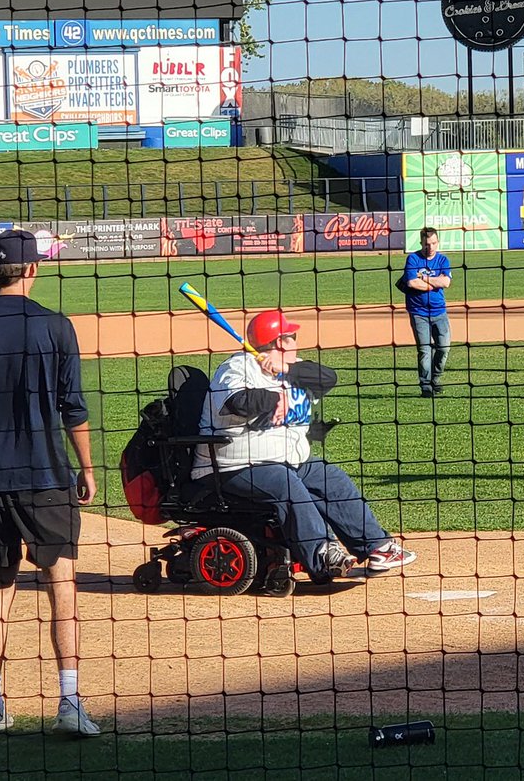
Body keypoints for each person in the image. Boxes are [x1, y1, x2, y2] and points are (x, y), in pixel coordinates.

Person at [0, 230, 100, 736]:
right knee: (61, 586)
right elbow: (74, 410)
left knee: (0, 588)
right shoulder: (56, 326)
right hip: (46, 475)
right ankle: (69, 703)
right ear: (31, 269)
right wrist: (87, 470)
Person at [191, 309, 415, 576]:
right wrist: (275, 398)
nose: (296, 342)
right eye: (292, 337)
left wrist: (285, 369)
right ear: (279, 341)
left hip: (286, 461)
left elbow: (329, 378)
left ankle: (377, 547)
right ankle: (324, 555)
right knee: (286, 484)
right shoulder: (238, 367)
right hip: (231, 466)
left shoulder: (295, 369)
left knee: (331, 478)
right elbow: (237, 402)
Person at [400, 227, 452, 397]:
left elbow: (446, 282)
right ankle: (426, 386)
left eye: (434, 243)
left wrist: (424, 278)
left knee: (444, 348)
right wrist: (434, 283)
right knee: (425, 350)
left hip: (439, 311)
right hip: (418, 312)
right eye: (427, 244)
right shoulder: (413, 259)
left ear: (438, 242)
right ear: (421, 243)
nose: (430, 247)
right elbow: (411, 283)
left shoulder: (443, 260)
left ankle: (435, 378)